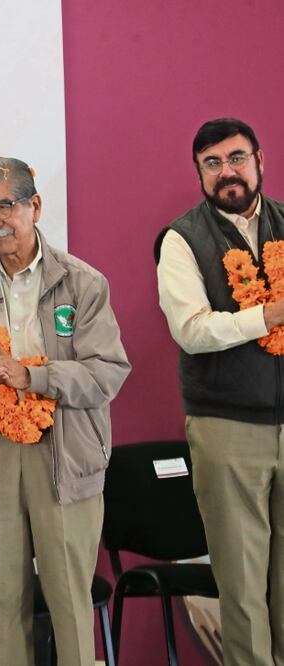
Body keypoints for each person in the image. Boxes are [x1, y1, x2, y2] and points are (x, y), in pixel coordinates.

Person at [0, 157, 130, 666]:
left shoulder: (83, 283)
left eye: (4, 205)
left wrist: (31, 377)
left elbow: (106, 372)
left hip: (64, 454)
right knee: (3, 605)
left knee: (70, 602)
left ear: (34, 206)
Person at [155, 117, 284, 665]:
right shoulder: (181, 238)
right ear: (199, 173)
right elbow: (192, 330)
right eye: (212, 163)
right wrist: (268, 315)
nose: (226, 171)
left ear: (259, 161)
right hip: (227, 425)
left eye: (236, 158)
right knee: (243, 582)